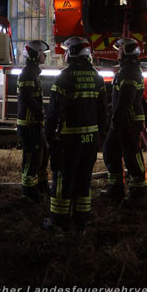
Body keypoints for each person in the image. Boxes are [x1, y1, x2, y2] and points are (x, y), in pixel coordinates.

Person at [44, 36, 107, 231]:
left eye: (66, 51)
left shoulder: (64, 77)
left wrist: (48, 136)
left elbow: (54, 111)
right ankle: (81, 218)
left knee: (63, 177)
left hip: (68, 139)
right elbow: (103, 112)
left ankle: (59, 220)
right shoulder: (97, 77)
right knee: (84, 177)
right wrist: (101, 137)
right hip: (90, 140)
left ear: (71, 52)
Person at [102, 37, 147, 202]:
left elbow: (126, 100)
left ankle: (139, 189)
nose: (118, 53)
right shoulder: (128, 69)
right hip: (123, 120)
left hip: (128, 121)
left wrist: (117, 117)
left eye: (120, 49)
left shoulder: (129, 72)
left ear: (128, 51)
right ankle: (116, 187)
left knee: (131, 154)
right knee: (110, 151)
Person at [17, 40, 50, 202]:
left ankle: (42, 184)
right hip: (29, 124)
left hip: (34, 123)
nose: (45, 56)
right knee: (32, 157)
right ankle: (29, 191)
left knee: (43, 154)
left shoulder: (33, 72)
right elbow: (27, 98)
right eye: (43, 53)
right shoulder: (28, 73)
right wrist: (40, 112)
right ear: (35, 54)